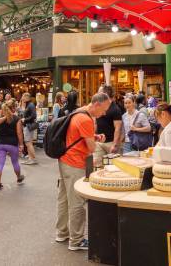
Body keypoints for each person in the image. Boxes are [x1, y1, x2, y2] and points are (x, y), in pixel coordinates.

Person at [56, 92, 110, 251]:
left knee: (64, 199)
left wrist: (94, 136)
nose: (104, 113)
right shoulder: (86, 119)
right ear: (97, 104)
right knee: (77, 202)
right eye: (104, 109)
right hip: (75, 163)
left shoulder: (78, 113)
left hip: (65, 160)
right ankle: (76, 240)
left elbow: (79, 135)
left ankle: (62, 233)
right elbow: (92, 148)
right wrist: (96, 142)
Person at [0, 100, 24, 191]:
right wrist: (21, 144)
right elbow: (19, 133)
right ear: (13, 108)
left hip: (1, 143)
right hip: (12, 143)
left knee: (0, 164)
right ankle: (19, 178)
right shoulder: (17, 119)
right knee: (15, 162)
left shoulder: (0, 118)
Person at [93, 85, 123, 165]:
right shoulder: (98, 106)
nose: (97, 94)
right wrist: (94, 136)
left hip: (111, 142)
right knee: (97, 165)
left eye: (99, 92)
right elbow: (96, 122)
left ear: (105, 94)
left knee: (113, 166)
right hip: (99, 142)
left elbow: (118, 128)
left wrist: (115, 144)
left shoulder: (115, 109)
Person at [20, 93, 38, 165]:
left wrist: (25, 119)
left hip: (28, 126)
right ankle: (30, 159)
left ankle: (33, 159)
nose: (22, 98)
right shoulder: (29, 105)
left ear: (27, 97)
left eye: (23, 97)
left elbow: (34, 116)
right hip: (28, 126)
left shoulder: (30, 105)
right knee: (28, 143)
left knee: (28, 143)